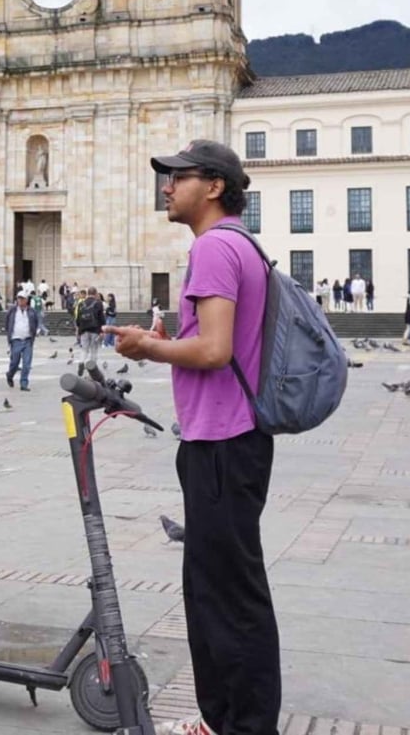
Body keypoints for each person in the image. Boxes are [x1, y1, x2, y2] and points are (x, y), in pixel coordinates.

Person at [108, 139, 279, 735]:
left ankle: (243, 725)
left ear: (213, 186)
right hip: (232, 438)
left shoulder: (213, 248)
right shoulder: (241, 244)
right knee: (220, 586)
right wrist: (165, 340)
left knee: (226, 594)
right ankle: (224, 717)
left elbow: (214, 350)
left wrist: (146, 347)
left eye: (178, 177)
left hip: (223, 442)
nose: (167, 186)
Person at [5, 289, 40, 391]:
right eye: (19, 298)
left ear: (26, 300)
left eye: (22, 299)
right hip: (16, 339)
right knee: (14, 362)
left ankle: (24, 383)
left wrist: (35, 332)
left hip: (28, 339)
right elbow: (7, 322)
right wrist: (9, 334)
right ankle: (10, 375)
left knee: (27, 363)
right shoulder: (12, 310)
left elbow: (36, 322)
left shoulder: (31, 311)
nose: (20, 301)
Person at [74, 287, 105, 367]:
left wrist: (78, 330)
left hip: (84, 329)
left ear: (88, 293)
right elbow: (101, 318)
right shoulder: (98, 303)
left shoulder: (81, 303)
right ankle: (92, 367)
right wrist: (102, 330)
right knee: (94, 349)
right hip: (95, 329)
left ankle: (81, 362)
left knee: (84, 348)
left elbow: (78, 318)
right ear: (95, 293)